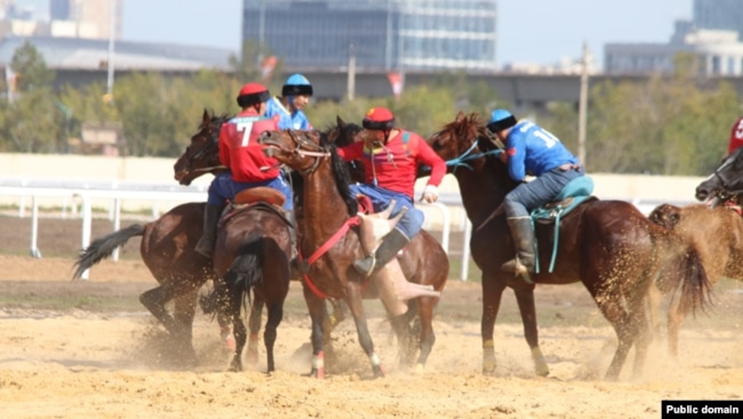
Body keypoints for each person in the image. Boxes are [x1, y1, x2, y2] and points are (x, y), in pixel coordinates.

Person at [336, 107, 446, 278]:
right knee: (334, 193)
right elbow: (342, 154)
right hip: (367, 191)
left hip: (398, 199)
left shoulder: (412, 141)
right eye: (367, 131)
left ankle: (375, 261)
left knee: (415, 217)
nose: (369, 136)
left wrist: (432, 185)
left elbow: (438, 163)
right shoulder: (366, 144)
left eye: (374, 133)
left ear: (387, 131)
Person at [194, 82, 294, 257]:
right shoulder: (272, 123)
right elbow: (281, 153)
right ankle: (292, 246)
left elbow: (226, 160)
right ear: (258, 104)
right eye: (264, 103)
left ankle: (208, 240)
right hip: (271, 184)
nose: (265, 107)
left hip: (237, 185)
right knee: (290, 194)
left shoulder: (227, 127)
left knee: (215, 187)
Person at [486, 109, 584, 276]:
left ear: (501, 129)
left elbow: (517, 174)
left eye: (496, 133)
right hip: (576, 171)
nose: (496, 138)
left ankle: (526, 259)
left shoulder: (514, 137)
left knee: (513, 200)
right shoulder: (529, 126)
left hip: (558, 176)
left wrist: (508, 159)